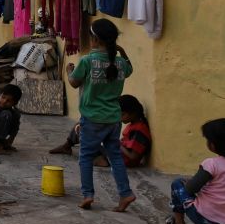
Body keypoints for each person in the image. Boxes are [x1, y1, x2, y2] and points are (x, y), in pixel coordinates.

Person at [66, 19, 136, 212]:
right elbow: (129, 68)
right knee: (115, 157)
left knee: (86, 157)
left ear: (95, 39)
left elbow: (73, 82)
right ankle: (125, 193)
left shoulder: (87, 61)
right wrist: (121, 51)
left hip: (92, 117)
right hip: (113, 118)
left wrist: (69, 70)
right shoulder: (120, 63)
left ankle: (88, 195)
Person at [49, 95, 152, 168]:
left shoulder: (139, 129)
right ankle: (69, 147)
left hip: (120, 159)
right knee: (84, 127)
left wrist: (114, 142)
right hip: (117, 153)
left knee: (84, 132)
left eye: (121, 115)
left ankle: (101, 159)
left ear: (131, 113)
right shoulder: (135, 124)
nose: (119, 118)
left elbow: (133, 156)